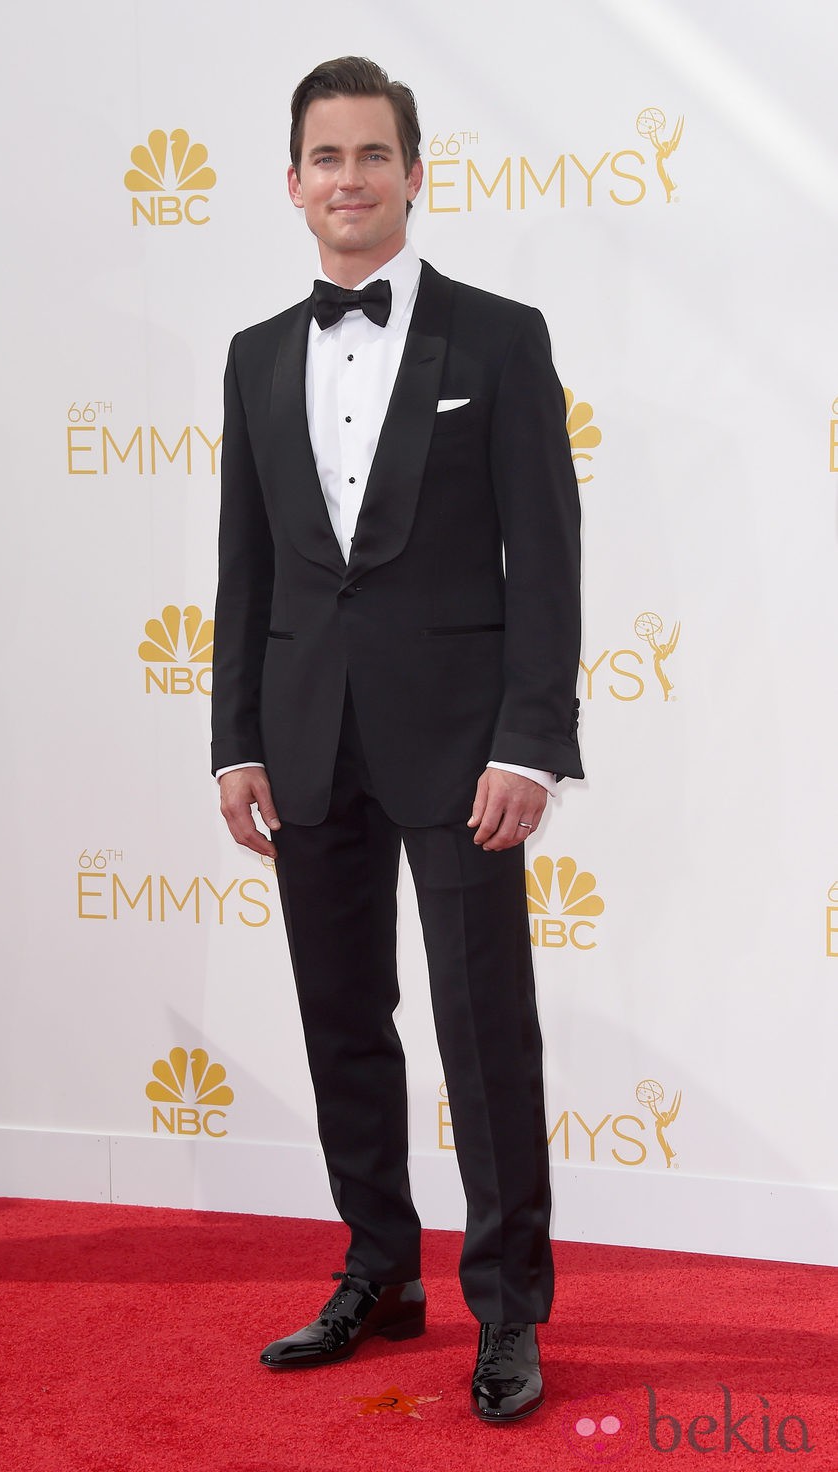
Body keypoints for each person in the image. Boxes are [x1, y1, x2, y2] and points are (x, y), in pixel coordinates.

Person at [211, 56, 583, 1426]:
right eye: (327, 157)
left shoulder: (498, 339)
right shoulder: (257, 356)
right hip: (308, 744)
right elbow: (246, 569)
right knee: (340, 1020)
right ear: (294, 180)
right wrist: (234, 740)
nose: (350, 180)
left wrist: (533, 743)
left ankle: (508, 1309)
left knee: (487, 1031)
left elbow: (545, 557)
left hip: (465, 747)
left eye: (375, 155)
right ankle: (380, 1269)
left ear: (415, 174)